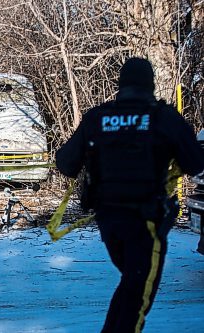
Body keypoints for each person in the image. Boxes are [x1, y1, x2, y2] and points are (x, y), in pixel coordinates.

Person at [55, 57, 204, 333]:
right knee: (137, 299)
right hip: (146, 224)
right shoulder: (162, 117)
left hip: (109, 224)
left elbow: (64, 163)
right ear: (151, 84)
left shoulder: (97, 118)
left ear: (120, 85)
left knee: (131, 289)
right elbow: (196, 162)